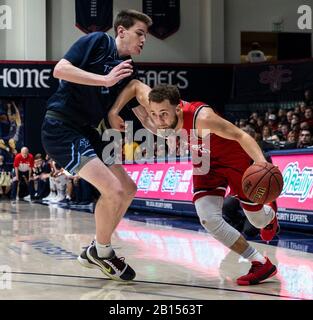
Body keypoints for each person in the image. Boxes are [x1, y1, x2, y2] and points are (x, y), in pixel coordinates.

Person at [108, 80, 280, 286]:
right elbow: (135, 85)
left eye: (164, 113)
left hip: (234, 160)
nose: (159, 118)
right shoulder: (156, 106)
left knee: (258, 222)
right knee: (208, 219)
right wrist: (114, 111)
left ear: (178, 108)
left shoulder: (203, 118)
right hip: (205, 162)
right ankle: (260, 262)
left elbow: (240, 135)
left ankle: (269, 214)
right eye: (154, 113)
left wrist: (261, 164)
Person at [41, 10, 152, 281]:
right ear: (121, 31)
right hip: (61, 127)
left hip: (88, 130)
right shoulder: (97, 41)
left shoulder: (127, 67)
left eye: (146, 36)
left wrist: (166, 129)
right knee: (112, 190)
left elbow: (136, 107)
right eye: (139, 33)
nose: (143, 41)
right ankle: (103, 252)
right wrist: (105, 79)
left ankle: (96, 248)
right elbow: (60, 70)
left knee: (127, 188)